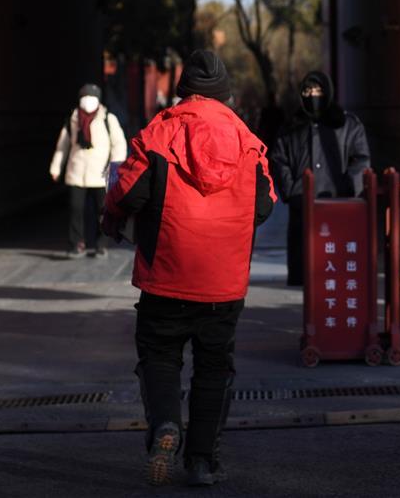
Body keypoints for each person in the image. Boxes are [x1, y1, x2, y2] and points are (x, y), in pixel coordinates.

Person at [101, 50, 275, 487]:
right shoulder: (247, 139)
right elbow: (265, 205)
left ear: (184, 90)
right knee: (215, 368)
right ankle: (202, 460)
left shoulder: (159, 132)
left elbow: (127, 192)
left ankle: (165, 425)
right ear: (224, 93)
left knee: (160, 356)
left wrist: (112, 217)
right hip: (223, 283)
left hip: (167, 275)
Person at [270, 71, 371, 286]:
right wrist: (292, 190)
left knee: (335, 275)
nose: (313, 95)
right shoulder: (292, 127)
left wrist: (346, 188)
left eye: (318, 91)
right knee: (304, 274)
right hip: (302, 207)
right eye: (308, 91)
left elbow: (361, 160)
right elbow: (278, 160)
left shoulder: (348, 125)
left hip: (338, 209)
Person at [49, 83, 127, 258]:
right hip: (76, 171)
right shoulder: (73, 119)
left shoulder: (108, 119)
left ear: (98, 100)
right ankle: (76, 244)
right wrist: (56, 168)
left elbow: (119, 144)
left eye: (91, 97)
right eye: (84, 97)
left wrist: (114, 169)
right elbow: (63, 145)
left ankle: (101, 244)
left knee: (102, 210)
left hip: (100, 173)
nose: (87, 101)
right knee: (75, 209)